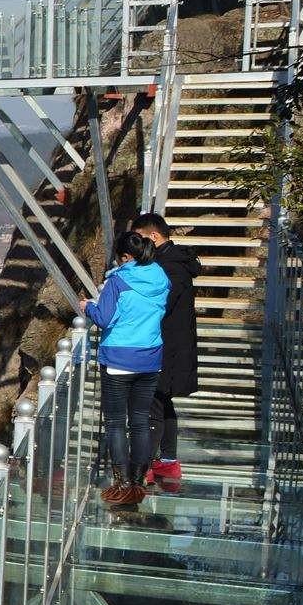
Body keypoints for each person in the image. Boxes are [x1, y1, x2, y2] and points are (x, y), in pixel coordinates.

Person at [81, 229, 170, 509]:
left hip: (119, 358)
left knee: (116, 422)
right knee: (140, 420)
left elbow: (105, 318)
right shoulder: (161, 277)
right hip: (150, 357)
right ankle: (139, 479)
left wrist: (88, 307)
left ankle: (122, 483)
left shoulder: (118, 281)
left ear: (125, 257)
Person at [130, 211, 201, 492]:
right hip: (172, 344)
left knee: (151, 404)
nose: (137, 245)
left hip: (163, 345)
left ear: (154, 236)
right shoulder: (176, 262)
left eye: (139, 239)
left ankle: (143, 466)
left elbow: (161, 304)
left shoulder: (168, 267)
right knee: (162, 400)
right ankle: (167, 461)